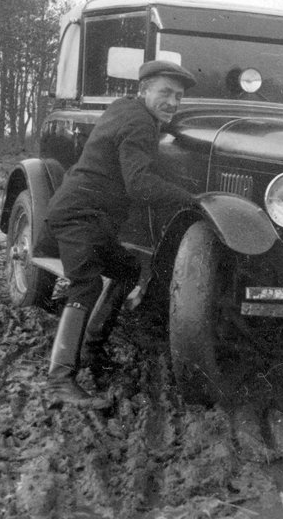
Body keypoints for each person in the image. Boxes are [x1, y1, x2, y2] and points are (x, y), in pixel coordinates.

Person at [42, 60, 198, 407]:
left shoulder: (123, 109)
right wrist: (191, 200)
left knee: (126, 269)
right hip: (79, 214)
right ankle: (59, 381)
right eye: (164, 93)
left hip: (89, 215)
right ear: (143, 90)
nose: (172, 103)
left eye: (178, 96)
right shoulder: (141, 124)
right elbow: (140, 185)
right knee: (86, 284)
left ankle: (91, 352)